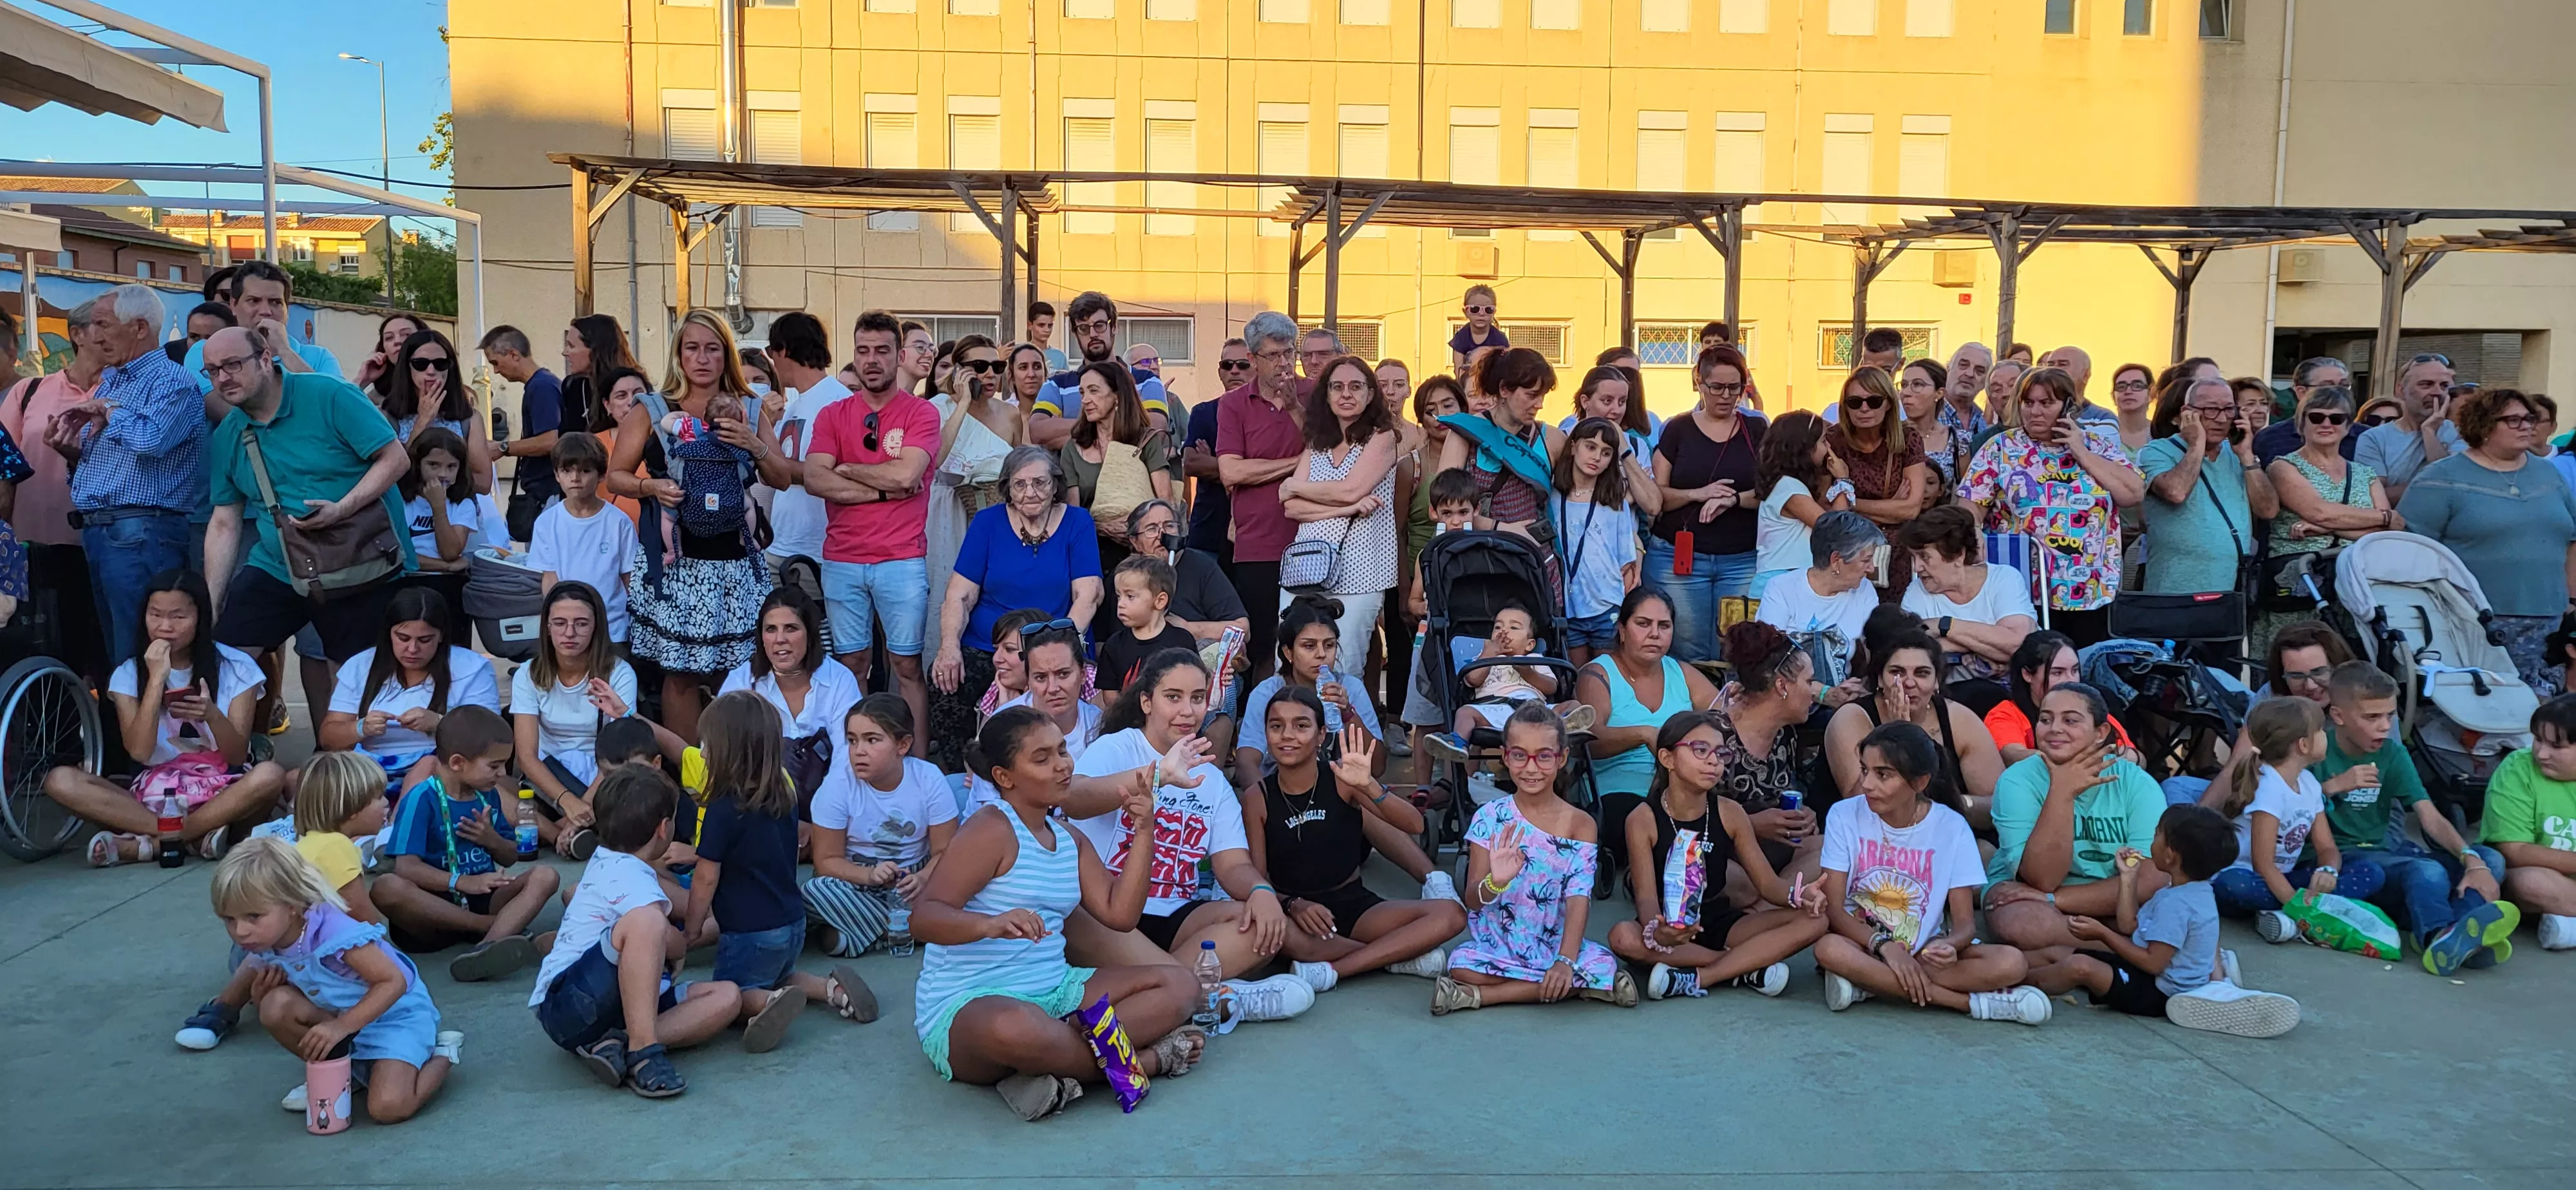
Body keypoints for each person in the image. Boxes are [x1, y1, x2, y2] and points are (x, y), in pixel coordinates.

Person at [912, 707, 1206, 1120]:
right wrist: (989, 924)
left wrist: (1144, 832)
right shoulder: (990, 828)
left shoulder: (1070, 838)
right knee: (1017, 1027)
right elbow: (923, 917)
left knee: (1180, 985)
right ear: (1004, 777)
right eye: (1042, 758)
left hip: (1058, 992)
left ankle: (1048, 1065)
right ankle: (1143, 1063)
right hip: (972, 1001)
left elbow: (1120, 916)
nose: (1063, 765)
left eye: (1063, 750)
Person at [1064, 650, 1318, 1020]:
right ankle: (1219, 998)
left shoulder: (1212, 779)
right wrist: (1160, 776)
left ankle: (1180, 992)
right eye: (1174, 697)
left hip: (1178, 917)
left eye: (1198, 699)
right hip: (1107, 915)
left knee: (1259, 924)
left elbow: (1232, 866)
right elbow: (1074, 799)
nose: (1188, 711)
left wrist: (1261, 892)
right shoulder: (1118, 747)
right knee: (1073, 919)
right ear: (1147, 702)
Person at [201, 326, 413, 735]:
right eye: (213, 371)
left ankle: (351, 780)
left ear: (266, 357)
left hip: (358, 563)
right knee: (224, 657)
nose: (223, 378)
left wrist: (342, 509)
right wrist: (210, 603)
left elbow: (395, 459)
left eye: (232, 364)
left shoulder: (329, 395)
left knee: (353, 684)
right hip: (280, 565)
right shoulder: (230, 433)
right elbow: (225, 521)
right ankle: (237, 758)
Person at [607, 310, 795, 742]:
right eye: (692, 348)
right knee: (680, 675)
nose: (702, 358)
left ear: (725, 354)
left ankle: (740, 771)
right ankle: (692, 774)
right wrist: (651, 486)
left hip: (735, 561)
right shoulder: (653, 409)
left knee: (743, 674)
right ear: (678, 354)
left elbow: (781, 478)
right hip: (676, 561)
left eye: (712, 348)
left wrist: (754, 443)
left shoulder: (748, 406)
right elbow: (616, 475)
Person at [1812, 722, 2050, 1024]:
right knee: (1828, 948)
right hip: (1862, 945)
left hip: (1924, 952)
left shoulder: (1951, 828)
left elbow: (1965, 926)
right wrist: (1885, 947)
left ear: (1920, 782)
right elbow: (1834, 909)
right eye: (1864, 770)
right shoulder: (1844, 815)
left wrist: (1950, 946)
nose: (1867, 785)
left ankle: (1871, 985)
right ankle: (1968, 1004)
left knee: (2012, 963)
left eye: (1883, 775)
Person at [213, 837, 460, 1124]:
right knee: (274, 1005)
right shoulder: (267, 939)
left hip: (395, 1018)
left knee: (388, 1107)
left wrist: (341, 1026)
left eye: (253, 916)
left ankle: (443, 1052)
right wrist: (263, 992)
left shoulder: (335, 933)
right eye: (228, 920)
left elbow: (393, 982)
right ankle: (341, 1072)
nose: (240, 931)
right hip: (342, 1019)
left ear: (292, 903)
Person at [529, 764, 739, 1099]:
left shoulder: (612, 860)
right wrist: (681, 941)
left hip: (607, 1008)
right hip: (568, 1003)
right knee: (649, 921)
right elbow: (671, 942)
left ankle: (617, 1042)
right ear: (664, 829)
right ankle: (644, 1053)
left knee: (728, 996)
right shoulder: (629, 875)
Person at [51, 569, 288, 866]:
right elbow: (139, 751)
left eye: (179, 617)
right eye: (155, 615)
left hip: (223, 790)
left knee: (270, 775)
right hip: (157, 795)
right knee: (60, 780)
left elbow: (237, 755)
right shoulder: (128, 673)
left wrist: (212, 715)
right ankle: (191, 838)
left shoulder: (236, 667)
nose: (165, 627)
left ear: (200, 618)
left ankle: (149, 845)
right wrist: (155, 680)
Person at [174, 751, 393, 1052]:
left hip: (253, 944)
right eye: (379, 797)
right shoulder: (338, 847)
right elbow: (360, 915)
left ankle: (219, 1011)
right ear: (352, 809)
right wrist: (387, 953)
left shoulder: (310, 839)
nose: (386, 804)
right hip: (272, 945)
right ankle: (227, 1007)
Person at [1607, 711, 1831, 1001]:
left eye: (1721, 753)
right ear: (1668, 759)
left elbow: (1769, 886)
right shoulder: (1643, 818)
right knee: (1622, 937)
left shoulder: (1729, 812)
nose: (1714, 762)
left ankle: (1701, 975)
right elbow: (1647, 898)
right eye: (1700, 750)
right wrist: (1657, 930)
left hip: (1720, 919)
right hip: (1670, 925)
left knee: (1817, 921)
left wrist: (1800, 896)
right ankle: (1743, 966)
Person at [2300, 662, 2508, 975]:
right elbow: (2288, 810)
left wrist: (2469, 859)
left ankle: (2456, 936)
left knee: (2489, 859)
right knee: (2427, 871)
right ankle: (2436, 937)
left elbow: (2429, 816)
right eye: (2372, 717)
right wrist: (2334, 786)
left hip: (2389, 853)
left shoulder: (2393, 754)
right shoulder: (2317, 751)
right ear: (2339, 716)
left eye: (2389, 715)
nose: (2384, 726)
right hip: (2349, 862)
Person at [2020, 805, 2301, 1035]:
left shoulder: (2177, 904)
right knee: (2057, 953)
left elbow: (2154, 963)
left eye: (2157, 835)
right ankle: (2016, 970)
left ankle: (2013, 988)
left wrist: (2102, 934)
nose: (2150, 842)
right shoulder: (2189, 890)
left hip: (2161, 992)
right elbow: (2131, 926)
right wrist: (2128, 879)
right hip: (2151, 972)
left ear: (2171, 855)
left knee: (2079, 966)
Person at [1245, 692, 1463, 987]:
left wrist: (1370, 787)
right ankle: (1394, 957)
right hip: (1298, 917)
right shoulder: (1257, 797)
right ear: (1267, 734)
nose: (1288, 736)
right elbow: (1257, 883)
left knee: (1451, 914)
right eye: (1276, 726)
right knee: (1266, 929)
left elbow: (1415, 823)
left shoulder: (1342, 779)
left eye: (1301, 726)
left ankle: (1336, 971)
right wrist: (1293, 904)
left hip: (1355, 908)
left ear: (1321, 734)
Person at [1434, 703, 1636, 1014]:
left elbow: (1579, 897)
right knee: (1461, 965)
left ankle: (1481, 996)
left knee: (1600, 962)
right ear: (1505, 757)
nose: (1531, 768)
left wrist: (1566, 961)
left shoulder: (1580, 824)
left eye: (1544, 756)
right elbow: (1473, 900)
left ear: (1562, 759)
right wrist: (1495, 882)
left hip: (1555, 945)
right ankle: (1579, 989)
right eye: (1520, 755)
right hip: (1498, 945)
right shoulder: (1490, 817)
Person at [48, 285, 205, 669]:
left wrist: (110, 411)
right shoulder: (116, 381)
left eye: (102, 324)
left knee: (141, 648)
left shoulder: (171, 381)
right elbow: (112, 465)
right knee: (119, 649)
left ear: (138, 328)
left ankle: (151, 728)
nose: (95, 336)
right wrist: (71, 452)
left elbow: (152, 440)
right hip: (106, 530)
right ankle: (130, 727)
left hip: (142, 530)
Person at [2398, 388, 2576, 694]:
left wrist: (2572, 602)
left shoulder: (2550, 474)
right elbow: (2410, 549)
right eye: (2513, 420)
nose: (2526, 426)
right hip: (2476, 624)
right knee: (2488, 713)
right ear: (2483, 425)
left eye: (2529, 418)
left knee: (2543, 714)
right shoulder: (2442, 477)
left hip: (2550, 621)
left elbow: (2573, 539)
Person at [1977, 682, 2170, 952]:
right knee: (2017, 919)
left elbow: (2151, 878)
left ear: (2100, 732)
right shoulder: (2018, 781)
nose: (2054, 728)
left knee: (2177, 902)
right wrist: (2062, 792)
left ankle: (2084, 952)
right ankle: (2137, 952)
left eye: (2070, 720)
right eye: (2045, 719)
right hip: (2029, 894)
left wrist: (2054, 899)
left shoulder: (2135, 782)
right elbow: (2041, 879)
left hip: (2113, 896)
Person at [375, 707, 563, 978]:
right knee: (386, 887)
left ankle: (487, 949)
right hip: (431, 908)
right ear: (457, 763)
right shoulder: (422, 798)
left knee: (546, 875)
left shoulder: (488, 796)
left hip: (483, 895)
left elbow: (511, 858)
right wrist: (461, 883)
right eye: (494, 766)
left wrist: (492, 839)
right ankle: (489, 927)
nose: (502, 774)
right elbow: (406, 868)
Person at [1958, 366, 2143, 643]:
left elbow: (2133, 493)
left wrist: (2080, 451)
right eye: (2028, 403)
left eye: (2047, 403)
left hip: (2088, 589)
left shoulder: (2097, 446)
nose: (2035, 411)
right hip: (2023, 588)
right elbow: (1969, 506)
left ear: (2069, 407)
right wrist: (1972, 527)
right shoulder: (2001, 448)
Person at [933, 446, 1105, 721]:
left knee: (1055, 686)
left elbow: (1089, 595)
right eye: (1020, 484)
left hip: (1054, 643)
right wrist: (949, 646)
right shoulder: (988, 522)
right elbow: (959, 596)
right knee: (947, 686)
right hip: (989, 647)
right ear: (1008, 489)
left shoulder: (1077, 521)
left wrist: (1052, 650)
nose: (1030, 492)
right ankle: (971, 763)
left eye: (1040, 483)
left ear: (1055, 485)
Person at [2210, 697, 2382, 941]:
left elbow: (2327, 847)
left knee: (2370, 872)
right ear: (2303, 745)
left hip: (2287, 880)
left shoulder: (2309, 784)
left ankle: (2282, 915)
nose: (2326, 735)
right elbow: (2263, 865)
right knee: (2233, 884)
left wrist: (2327, 871)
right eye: (2320, 730)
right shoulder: (2269, 788)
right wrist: (2298, 907)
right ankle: (2301, 913)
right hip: (2252, 879)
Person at [1, 295, 108, 683]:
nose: (113, 334)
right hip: (33, 550)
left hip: (104, 546)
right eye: (103, 325)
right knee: (44, 651)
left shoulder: (126, 394)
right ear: (77, 335)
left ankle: (108, 740)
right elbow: (3, 469)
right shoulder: (29, 391)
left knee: (103, 653)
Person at [1577, 587, 1721, 864]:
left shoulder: (1681, 672)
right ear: (1622, 629)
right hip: (1619, 791)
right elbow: (1589, 741)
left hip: (1683, 789)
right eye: (1643, 624)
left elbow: (1724, 717)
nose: (1654, 634)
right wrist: (1644, 734)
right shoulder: (1598, 673)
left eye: (1664, 626)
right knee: (1645, 821)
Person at [321, 586, 504, 795]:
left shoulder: (472, 668)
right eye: (403, 638)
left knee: (426, 767)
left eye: (425, 640)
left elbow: (492, 738)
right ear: (389, 634)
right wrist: (361, 727)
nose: (412, 649)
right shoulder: (360, 666)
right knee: (298, 780)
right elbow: (328, 738)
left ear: (441, 636)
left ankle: (396, 827)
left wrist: (440, 724)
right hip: (367, 770)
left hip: (442, 770)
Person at [1824, 616, 2006, 820]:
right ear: (1880, 680)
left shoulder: (1959, 718)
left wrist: (1949, 807)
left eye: (1922, 673)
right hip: (1870, 841)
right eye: (1897, 672)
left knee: (1986, 849)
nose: (1909, 683)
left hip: (1945, 834)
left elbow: (1997, 805)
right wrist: (1898, 736)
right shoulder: (1851, 718)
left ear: (1936, 682)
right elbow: (1863, 805)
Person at [1650, 345, 1766, 660]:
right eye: (1717, 387)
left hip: (1741, 559)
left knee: (1737, 650)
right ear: (1700, 384)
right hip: (1680, 558)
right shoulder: (1678, 429)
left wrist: (1733, 500)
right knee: (1688, 651)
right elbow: (1657, 497)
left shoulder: (1756, 429)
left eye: (1735, 388)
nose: (1726, 396)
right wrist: (1697, 493)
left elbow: (1771, 491)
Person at [2255, 385, 2394, 650]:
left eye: (2336, 418)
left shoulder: (2365, 473)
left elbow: (2382, 538)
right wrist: (2383, 517)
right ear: (2301, 423)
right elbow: (2318, 512)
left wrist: (2324, 529)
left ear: (2349, 425)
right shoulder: (2283, 467)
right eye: (2316, 417)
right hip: (2301, 585)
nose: (2326, 423)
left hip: (2355, 588)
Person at [1283, 354, 1402, 661]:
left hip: (1362, 569)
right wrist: (1344, 508)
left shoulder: (1382, 438)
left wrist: (1296, 486)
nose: (1346, 394)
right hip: (1306, 567)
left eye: (1355, 386)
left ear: (1371, 394)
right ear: (1327, 394)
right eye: (1337, 387)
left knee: (1346, 664)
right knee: (1291, 661)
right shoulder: (1316, 442)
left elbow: (1353, 489)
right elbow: (1292, 509)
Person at [1217, 311, 1314, 681]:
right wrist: (1294, 464)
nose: (1283, 364)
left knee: (1309, 646)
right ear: (1254, 359)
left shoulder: (1312, 394)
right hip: (1257, 544)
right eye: (1273, 356)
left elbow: (1326, 455)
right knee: (1262, 648)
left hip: (1311, 539)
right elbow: (1232, 471)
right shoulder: (1234, 404)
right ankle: (1258, 729)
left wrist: (1294, 409)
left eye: (1289, 353)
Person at [511, 581, 641, 856]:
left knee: (631, 787)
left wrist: (582, 806)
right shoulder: (528, 673)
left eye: (581, 623)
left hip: (602, 778)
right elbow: (526, 756)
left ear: (596, 627)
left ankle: (559, 831)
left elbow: (620, 753)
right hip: (547, 781)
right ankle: (565, 834)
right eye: (559, 623)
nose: (569, 633)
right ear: (547, 627)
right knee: (490, 786)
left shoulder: (619, 673)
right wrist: (566, 801)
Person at [1438, 347, 1568, 598]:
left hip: (1534, 565)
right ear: (1504, 390)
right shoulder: (1466, 433)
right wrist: (1505, 529)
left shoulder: (1552, 439)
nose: (1539, 405)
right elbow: (1445, 507)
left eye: (1542, 396)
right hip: (1476, 564)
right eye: (1531, 395)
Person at [716, 585, 862, 802]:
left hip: (828, 799)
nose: (780, 639)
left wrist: (824, 815)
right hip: (756, 802)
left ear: (810, 633)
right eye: (771, 629)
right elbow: (717, 749)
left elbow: (847, 755)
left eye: (791, 628)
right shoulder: (742, 680)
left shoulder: (840, 680)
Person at [2137, 375, 2277, 598]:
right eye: (2211, 410)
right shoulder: (2157, 451)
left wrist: (2248, 457)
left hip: (2230, 591)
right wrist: (2196, 444)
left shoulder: (2237, 454)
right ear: (2187, 412)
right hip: (2174, 591)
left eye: (2229, 410)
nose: (2222, 419)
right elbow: (2176, 492)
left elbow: (2268, 510)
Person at [927, 333, 1022, 653]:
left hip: (995, 517)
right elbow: (934, 458)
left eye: (997, 366)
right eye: (980, 366)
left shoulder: (1010, 414)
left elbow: (1020, 469)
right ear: (959, 370)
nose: (990, 374)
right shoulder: (936, 408)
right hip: (944, 515)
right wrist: (963, 402)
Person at [1894, 505, 2036, 709]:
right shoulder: (1918, 592)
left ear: (1959, 555)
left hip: (2018, 692)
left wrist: (1945, 626)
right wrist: (1989, 647)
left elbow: (2017, 643)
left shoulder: (2004, 579)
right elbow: (1912, 648)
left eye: (1924, 557)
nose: (1916, 568)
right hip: (1955, 699)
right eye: (1914, 558)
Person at [1236, 594, 1388, 780]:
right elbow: (1246, 762)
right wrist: (1264, 799)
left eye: (1329, 645)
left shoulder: (1350, 688)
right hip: (1281, 792)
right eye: (1309, 646)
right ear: (1288, 652)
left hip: (1340, 793)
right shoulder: (1268, 693)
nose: (1321, 654)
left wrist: (1348, 714)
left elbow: (1377, 767)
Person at [1057, 359, 1174, 599]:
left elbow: (1166, 500)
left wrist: (1137, 530)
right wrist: (1102, 526)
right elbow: (1072, 513)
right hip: (1093, 550)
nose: (1085, 399)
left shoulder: (1146, 440)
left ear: (1117, 396)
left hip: (1143, 551)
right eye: (1082, 392)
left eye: (1094, 391)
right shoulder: (1073, 448)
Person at [757, 311, 851, 585]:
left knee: (818, 628)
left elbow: (840, 472)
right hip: (780, 543)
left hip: (819, 550)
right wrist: (766, 426)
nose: (772, 361)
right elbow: (769, 473)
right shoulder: (794, 405)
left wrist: (777, 465)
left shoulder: (839, 401)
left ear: (783, 350)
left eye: (771, 352)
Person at [1825, 366, 1931, 592]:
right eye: (1855, 402)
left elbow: (1911, 509)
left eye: (1873, 401)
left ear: (1888, 403)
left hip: (1895, 552)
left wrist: (1849, 502)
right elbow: (1826, 507)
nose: (1864, 408)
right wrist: (1892, 505)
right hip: (1848, 551)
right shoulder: (1833, 440)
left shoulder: (1907, 438)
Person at [1551, 418, 1645, 665]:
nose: (1596, 457)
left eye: (1605, 453)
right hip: (1568, 607)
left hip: (1607, 605)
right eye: (1590, 447)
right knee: (1576, 677)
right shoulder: (1552, 497)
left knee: (1605, 677)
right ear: (1573, 447)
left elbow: (1626, 559)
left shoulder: (1614, 502)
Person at [528, 430, 636, 646]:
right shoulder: (547, 522)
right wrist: (555, 623)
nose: (575, 478)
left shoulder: (619, 522)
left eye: (585, 471)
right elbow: (549, 579)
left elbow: (629, 579)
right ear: (557, 475)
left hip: (612, 629)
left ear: (602, 475)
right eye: (567, 471)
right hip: (568, 632)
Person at [2486, 694, 2576, 950]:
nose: (2542, 754)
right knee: (2529, 882)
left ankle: (2569, 925)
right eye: (2538, 740)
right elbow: (2514, 851)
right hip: (2542, 879)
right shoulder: (2518, 769)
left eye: (2556, 747)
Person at [1756, 511, 1886, 688]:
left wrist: (1862, 687)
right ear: (1836, 560)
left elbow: (1877, 648)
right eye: (1866, 560)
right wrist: (1823, 694)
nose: (1871, 569)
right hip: (1788, 696)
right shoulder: (1782, 589)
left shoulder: (1864, 590)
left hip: (1843, 694)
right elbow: (1768, 663)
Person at [1028, 292, 1171, 449]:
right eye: (1083, 328)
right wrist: (1122, 424)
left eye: (1100, 325)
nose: (1093, 334)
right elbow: (1038, 434)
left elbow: (1156, 433)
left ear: (1114, 327)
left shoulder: (1147, 381)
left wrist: (1068, 430)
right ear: (1075, 333)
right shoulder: (1056, 385)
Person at [1984, 630, 2139, 765]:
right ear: (2028, 674)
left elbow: (2136, 757)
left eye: (2075, 671)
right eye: (2057, 673)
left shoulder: (2091, 708)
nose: (2070, 680)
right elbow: (2013, 754)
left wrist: (2107, 761)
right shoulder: (2006, 714)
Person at [180, 260, 344, 386]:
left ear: (288, 308)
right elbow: (226, 411)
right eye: (254, 301)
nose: (265, 311)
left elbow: (340, 411)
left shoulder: (320, 358)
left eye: (276, 302)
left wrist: (285, 352)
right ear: (234, 305)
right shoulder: (204, 352)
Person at [391, 428, 487, 640]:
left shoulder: (462, 504)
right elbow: (399, 556)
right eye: (433, 465)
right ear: (418, 465)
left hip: (448, 584)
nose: (443, 473)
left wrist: (439, 507)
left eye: (451, 467)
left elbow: (451, 551)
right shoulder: (401, 501)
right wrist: (445, 566)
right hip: (408, 580)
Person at [479, 325, 570, 542]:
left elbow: (551, 441)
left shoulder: (541, 387)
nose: (496, 371)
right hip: (545, 494)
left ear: (513, 355)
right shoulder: (541, 384)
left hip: (547, 495)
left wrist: (503, 448)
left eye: (495, 363)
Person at [381, 328, 494, 495]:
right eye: (421, 364)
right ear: (407, 366)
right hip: (407, 512)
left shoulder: (469, 418)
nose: (431, 371)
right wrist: (422, 422)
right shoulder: (388, 416)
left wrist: (441, 480)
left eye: (441, 364)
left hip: (455, 513)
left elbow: (484, 483)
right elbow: (386, 476)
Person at [1750, 410, 1852, 598]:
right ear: (1805, 447)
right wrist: (1843, 480)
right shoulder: (1789, 487)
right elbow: (1835, 528)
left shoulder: (1789, 485)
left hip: (1789, 578)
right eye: (1823, 441)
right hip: (1782, 581)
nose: (1828, 447)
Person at [2354, 355, 2459, 505]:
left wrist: (2429, 432)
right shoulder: (2373, 438)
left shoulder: (2459, 433)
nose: (2437, 392)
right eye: (2426, 384)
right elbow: (2373, 498)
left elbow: (2453, 485)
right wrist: (2430, 484)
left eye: (2444, 386)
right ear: (2401, 390)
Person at [1180, 337, 1247, 567]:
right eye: (1227, 365)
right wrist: (1245, 469)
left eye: (1243, 364)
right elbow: (1191, 464)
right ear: (1220, 371)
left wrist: (1214, 462)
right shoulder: (1203, 412)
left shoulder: (1268, 415)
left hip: (1251, 535)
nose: (1235, 371)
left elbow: (1274, 468)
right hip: (1207, 532)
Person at [2251, 357, 2356, 466]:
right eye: (2327, 386)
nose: (2338, 393)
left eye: (2344, 386)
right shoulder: (2270, 438)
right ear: (2302, 392)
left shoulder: (2365, 436)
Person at [562, 314, 644, 436]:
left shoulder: (630, 385)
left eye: (572, 346)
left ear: (594, 350)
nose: (565, 353)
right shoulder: (573, 387)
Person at [1898, 357, 1962, 507]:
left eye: (1917, 385)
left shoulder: (1957, 441)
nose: (1906, 393)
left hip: (1940, 525)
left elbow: (1962, 497)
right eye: (1904, 385)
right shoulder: (1890, 437)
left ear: (1939, 393)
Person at [1937, 342, 1993, 441]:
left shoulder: (1981, 422)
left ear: (1986, 382)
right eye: (1963, 365)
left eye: (1979, 371)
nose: (1970, 374)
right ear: (1949, 368)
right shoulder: (1928, 414)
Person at [1449, 284, 1508, 373]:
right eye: (1475, 309)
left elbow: (1503, 369)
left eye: (1488, 310)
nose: (1481, 314)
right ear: (1466, 312)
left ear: (1494, 312)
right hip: (1467, 383)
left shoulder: (1500, 339)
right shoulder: (1461, 337)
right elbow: (1459, 370)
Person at [1026, 299, 1066, 371]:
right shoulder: (1020, 353)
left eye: (1050, 326)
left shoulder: (1060, 357)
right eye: (1041, 325)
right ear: (1030, 325)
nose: (1047, 330)